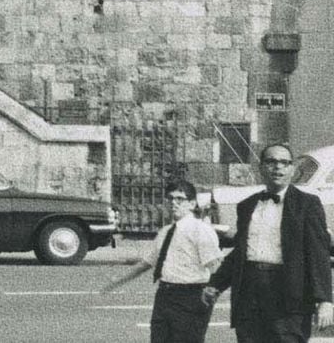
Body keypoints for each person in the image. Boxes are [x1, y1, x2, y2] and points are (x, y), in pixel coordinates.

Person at [206, 144, 334, 343]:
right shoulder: (247, 205)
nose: (278, 168)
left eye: (285, 163)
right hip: (249, 294)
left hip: (290, 298)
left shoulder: (307, 204)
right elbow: (241, 251)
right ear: (261, 168)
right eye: (271, 162)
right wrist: (216, 284)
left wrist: (325, 300)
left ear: (292, 170)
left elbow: (318, 254)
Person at [101, 182, 222, 343]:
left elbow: (215, 265)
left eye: (180, 199)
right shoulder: (165, 232)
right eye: (170, 199)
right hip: (165, 295)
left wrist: (210, 296)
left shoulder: (200, 230)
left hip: (190, 296)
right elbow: (146, 263)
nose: (174, 203)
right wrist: (118, 281)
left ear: (192, 204)